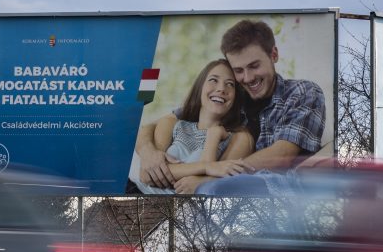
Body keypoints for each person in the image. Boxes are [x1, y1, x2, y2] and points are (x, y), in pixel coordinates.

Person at [135, 19, 325, 196]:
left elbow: (282, 155)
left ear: (273, 55)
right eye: (239, 70)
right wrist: (149, 154)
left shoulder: (302, 92)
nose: (248, 78)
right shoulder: (230, 97)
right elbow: (151, 126)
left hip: (279, 201)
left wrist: (208, 178)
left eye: (254, 66)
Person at [128, 59, 254, 194]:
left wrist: (214, 134)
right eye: (213, 80)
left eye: (230, 84)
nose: (221, 89)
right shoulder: (171, 124)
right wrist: (207, 167)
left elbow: (212, 184)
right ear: (200, 87)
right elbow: (147, 175)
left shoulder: (237, 138)